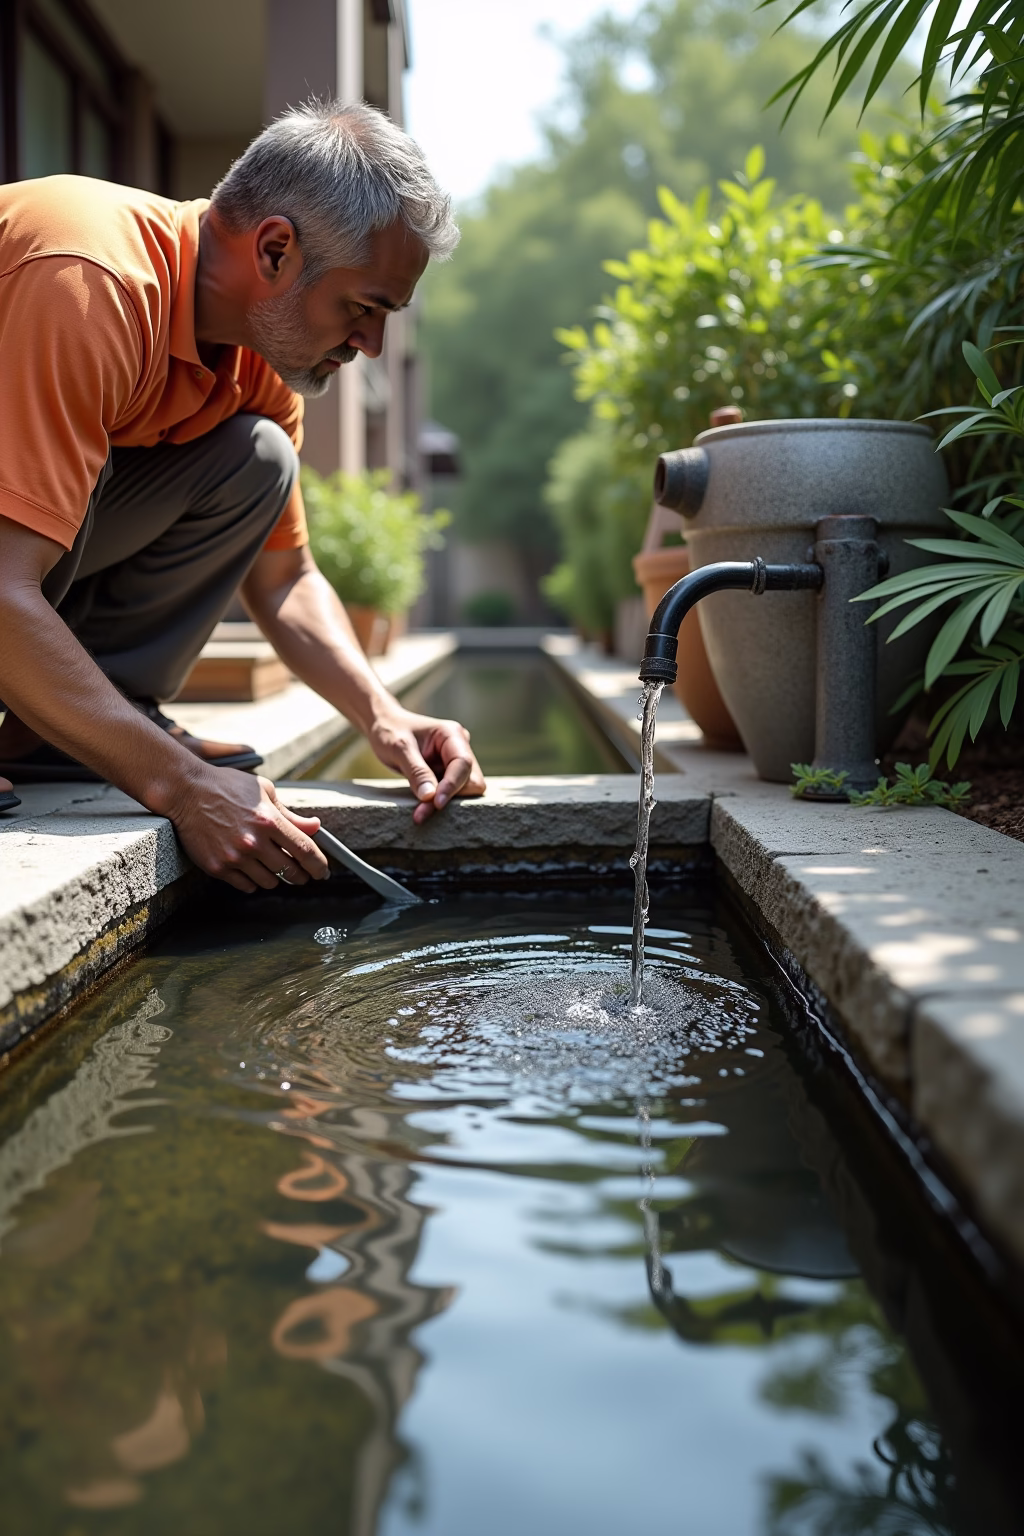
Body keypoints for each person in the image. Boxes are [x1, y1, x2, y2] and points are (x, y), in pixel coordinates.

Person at [0, 100, 485, 890]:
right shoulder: (90, 282)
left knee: (256, 459)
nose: (371, 345)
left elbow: (285, 577)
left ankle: (56, 731)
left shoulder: (258, 356)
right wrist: (181, 786)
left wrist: (383, 714)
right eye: (362, 308)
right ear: (274, 250)